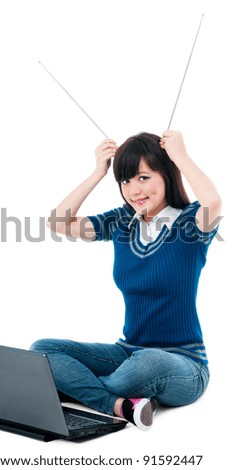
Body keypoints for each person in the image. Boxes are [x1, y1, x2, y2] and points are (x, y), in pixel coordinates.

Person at [30, 130, 222, 431]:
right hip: (125, 352)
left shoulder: (190, 224)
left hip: (184, 364)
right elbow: (58, 223)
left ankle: (73, 388)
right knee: (42, 349)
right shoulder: (122, 222)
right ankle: (119, 404)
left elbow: (212, 201)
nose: (134, 190)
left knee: (148, 362)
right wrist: (98, 173)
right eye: (125, 180)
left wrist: (181, 156)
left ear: (167, 174)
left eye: (143, 177)